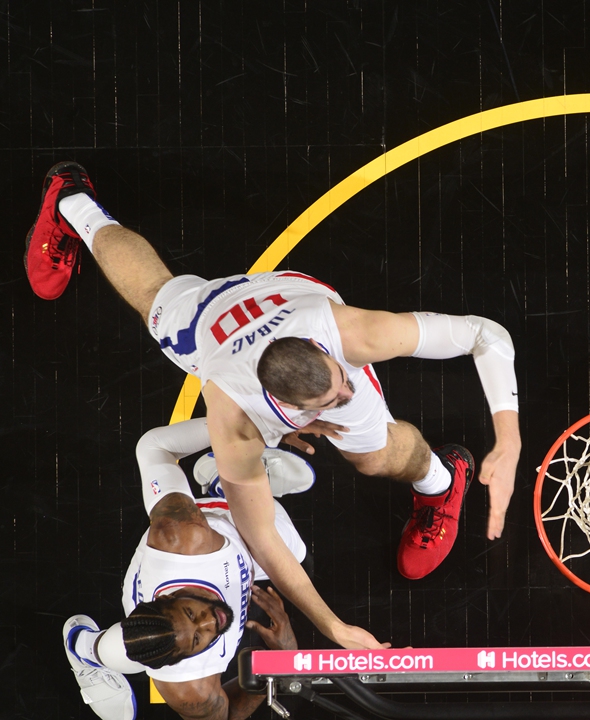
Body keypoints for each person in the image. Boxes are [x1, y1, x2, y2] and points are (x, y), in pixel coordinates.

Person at [26, 162, 522, 650]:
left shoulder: (349, 334)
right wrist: (333, 627)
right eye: (330, 400)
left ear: (324, 352)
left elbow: (485, 335)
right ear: (282, 405)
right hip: (211, 323)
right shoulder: (233, 417)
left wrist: (509, 439)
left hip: (285, 299)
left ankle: (441, 481)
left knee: (373, 455)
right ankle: (70, 198)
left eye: (339, 383)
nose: (347, 394)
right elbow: (261, 536)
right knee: (150, 296)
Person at [63, 419, 310, 720]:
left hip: (221, 529)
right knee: (290, 560)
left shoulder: (183, 536)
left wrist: (255, 422)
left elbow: (154, 447)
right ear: (180, 660)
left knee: (291, 548)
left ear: (167, 599)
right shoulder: (189, 688)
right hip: (204, 601)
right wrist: (279, 660)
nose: (210, 623)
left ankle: (224, 478)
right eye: (197, 640)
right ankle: (85, 654)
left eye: (191, 613)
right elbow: (227, 715)